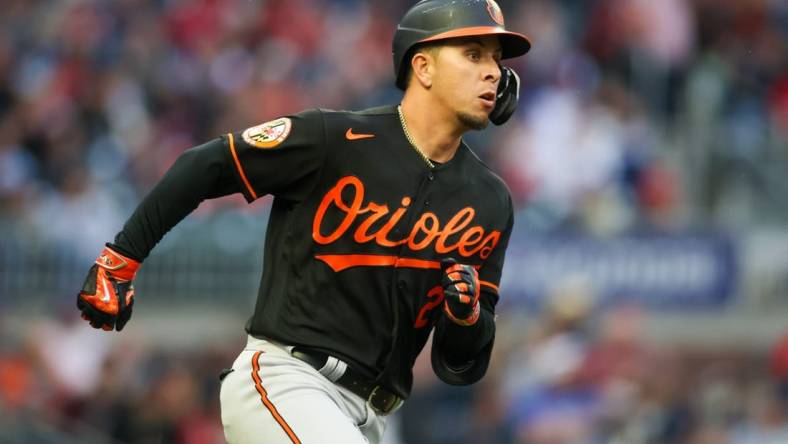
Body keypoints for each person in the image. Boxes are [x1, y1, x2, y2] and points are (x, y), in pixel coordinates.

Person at [76, 0, 531, 442]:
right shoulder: (337, 139)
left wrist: (466, 317)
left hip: (372, 415)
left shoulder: (489, 200)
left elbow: (460, 365)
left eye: (495, 59)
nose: (493, 70)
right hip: (287, 380)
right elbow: (206, 165)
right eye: (473, 54)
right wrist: (121, 259)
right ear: (423, 68)